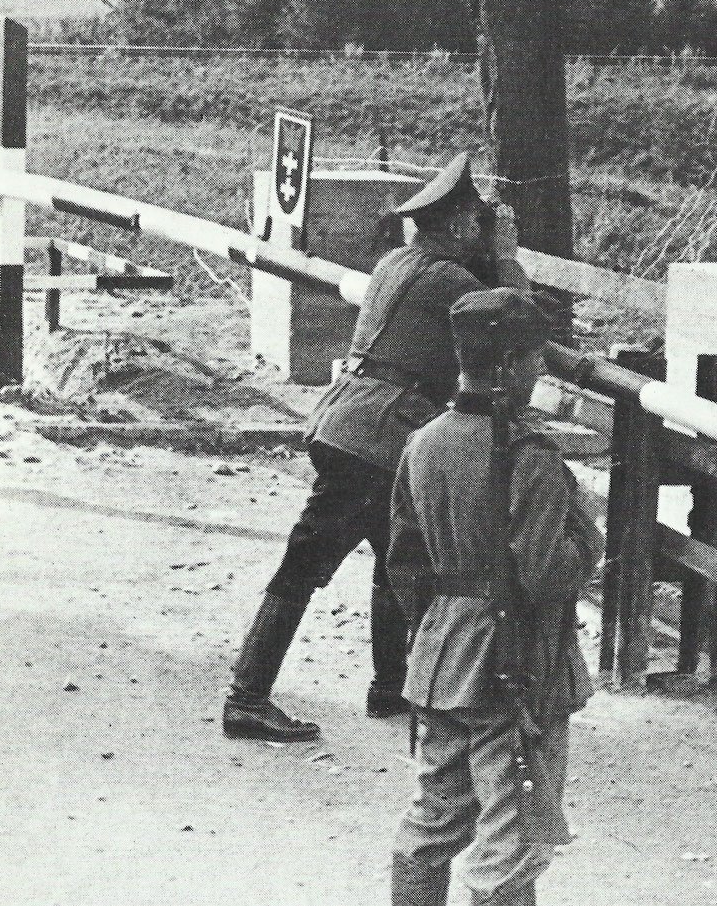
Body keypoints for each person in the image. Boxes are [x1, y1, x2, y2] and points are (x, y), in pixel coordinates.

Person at [222, 153, 528, 743]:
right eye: (476, 222)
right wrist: (508, 255)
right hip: (378, 441)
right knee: (308, 565)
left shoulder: (394, 263)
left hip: (349, 424)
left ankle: (393, 685)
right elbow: (517, 318)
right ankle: (247, 696)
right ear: (460, 225)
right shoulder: (450, 282)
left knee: (400, 561)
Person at [387, 288, 604, 906]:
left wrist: (441, 631)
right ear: (509, 365)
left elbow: (404, 565)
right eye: (533, 357)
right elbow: (545, 575)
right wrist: (587, 539)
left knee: (431, 823)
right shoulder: (529, 453)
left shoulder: (423, 441)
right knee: (513, 843)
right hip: (515, 665)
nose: (540, 369)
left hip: (440, 660)